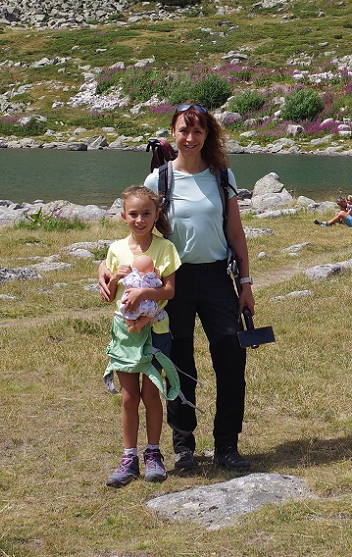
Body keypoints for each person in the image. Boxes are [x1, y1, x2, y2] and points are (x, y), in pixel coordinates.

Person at [142, 103, 255, 473]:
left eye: (198, 132)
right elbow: (139, 234)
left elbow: (236, 233)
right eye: (183, 131)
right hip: (174, 281)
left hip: (217, 278)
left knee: (231, 359)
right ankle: (184, 447)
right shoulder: (159, 180)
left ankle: (227, 446)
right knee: (177, 362)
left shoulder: (223, 176)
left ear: (208, 136)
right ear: (172, 133)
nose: (190, 139)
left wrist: (246, 283)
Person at [97, 185, 180, 487]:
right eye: (134, 214)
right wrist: (111, 279)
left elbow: (169, 290)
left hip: (156, 331)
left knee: (151, 393)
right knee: (129, 396)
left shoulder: (165, 249)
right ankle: (128, 457)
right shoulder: (116, 250)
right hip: (125, 335)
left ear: (157, 215)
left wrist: (145, 292)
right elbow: (109, 293)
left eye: (147, 213)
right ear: (123, 216)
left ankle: (154, 454)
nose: (140, 220)